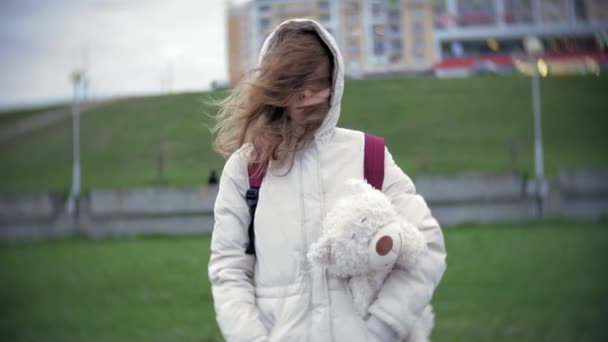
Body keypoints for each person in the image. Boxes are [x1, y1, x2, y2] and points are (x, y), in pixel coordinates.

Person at [208, 19, 447, 342]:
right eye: (295, 86)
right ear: (275, 84)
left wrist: (381, 328)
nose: (306, 96)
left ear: (334, 83)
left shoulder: (369, 155)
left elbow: (427, 246)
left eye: (316, 84)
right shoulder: (246, 168)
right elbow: (228, 271)